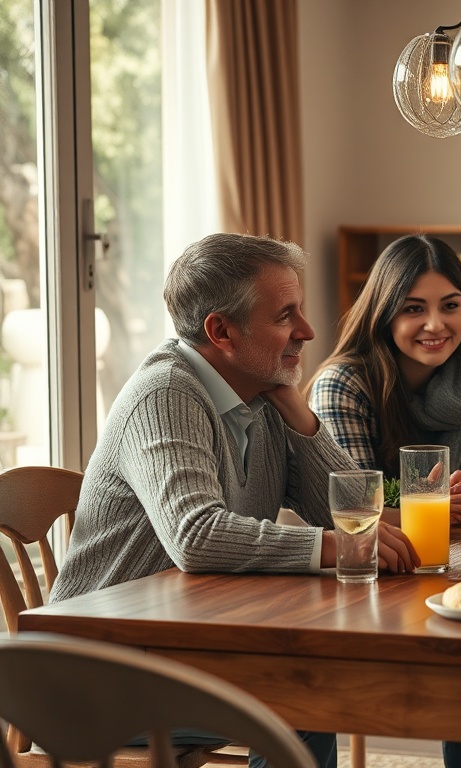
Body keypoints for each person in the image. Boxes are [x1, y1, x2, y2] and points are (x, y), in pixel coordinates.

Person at [50, 232, 419, 768]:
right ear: (221, 331)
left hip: (177, 652)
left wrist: (302, 416)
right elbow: (196, 536)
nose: (307, 331)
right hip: (93, 678)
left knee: (312, 689)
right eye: (285, 316)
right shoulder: (166, 394)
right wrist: (335, 546)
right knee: (305, 698)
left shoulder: (258, 395)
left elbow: (358, 512)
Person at [308, 234, 461, 525]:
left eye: (450, 306)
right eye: (413, 308)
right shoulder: (342, 385)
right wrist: (430, 505)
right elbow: (356, 504)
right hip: (376, 547)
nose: (435, 325)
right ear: (384, 314)